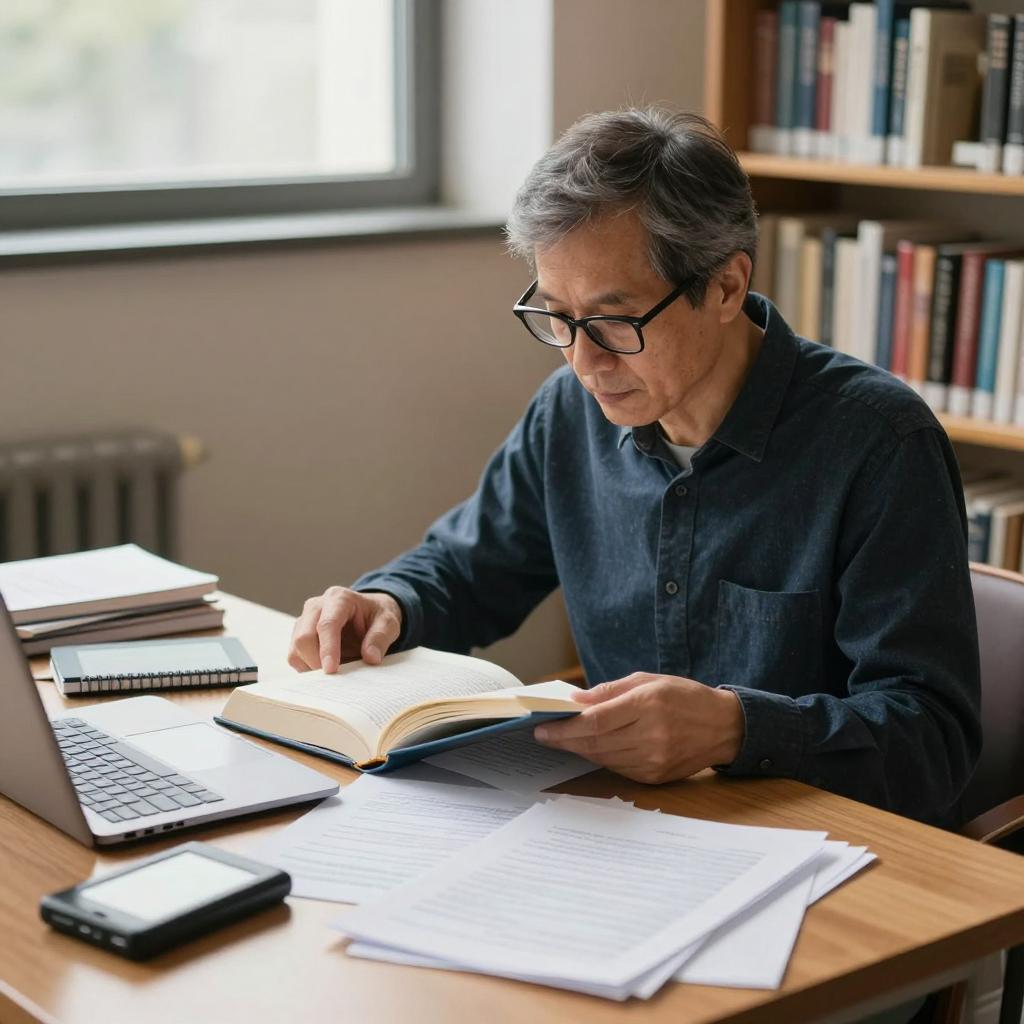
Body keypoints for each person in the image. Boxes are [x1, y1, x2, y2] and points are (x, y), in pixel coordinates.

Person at [288, 107, 980, 830]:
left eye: (616, 320)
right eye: (556, 316)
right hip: (629, 831)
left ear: (725, 286)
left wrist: (736, 728)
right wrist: (387, 604)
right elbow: (469, 566)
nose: (585, 361)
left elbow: (931, 741)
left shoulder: (878, 443)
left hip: (824, 848)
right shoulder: (571, 412)